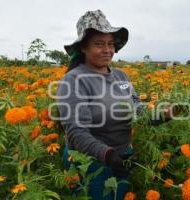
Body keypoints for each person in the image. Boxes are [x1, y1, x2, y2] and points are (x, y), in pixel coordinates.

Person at [56, 9, 172, 200]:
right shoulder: (74, 80)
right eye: (99, 44)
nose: (107, 50)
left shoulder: (121, 76)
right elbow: (77, 132)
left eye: (110, 44)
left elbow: (137, 110)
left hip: (123, 157)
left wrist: (163, 115)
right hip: (90, 163)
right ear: (83, 47)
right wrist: (108, 155)